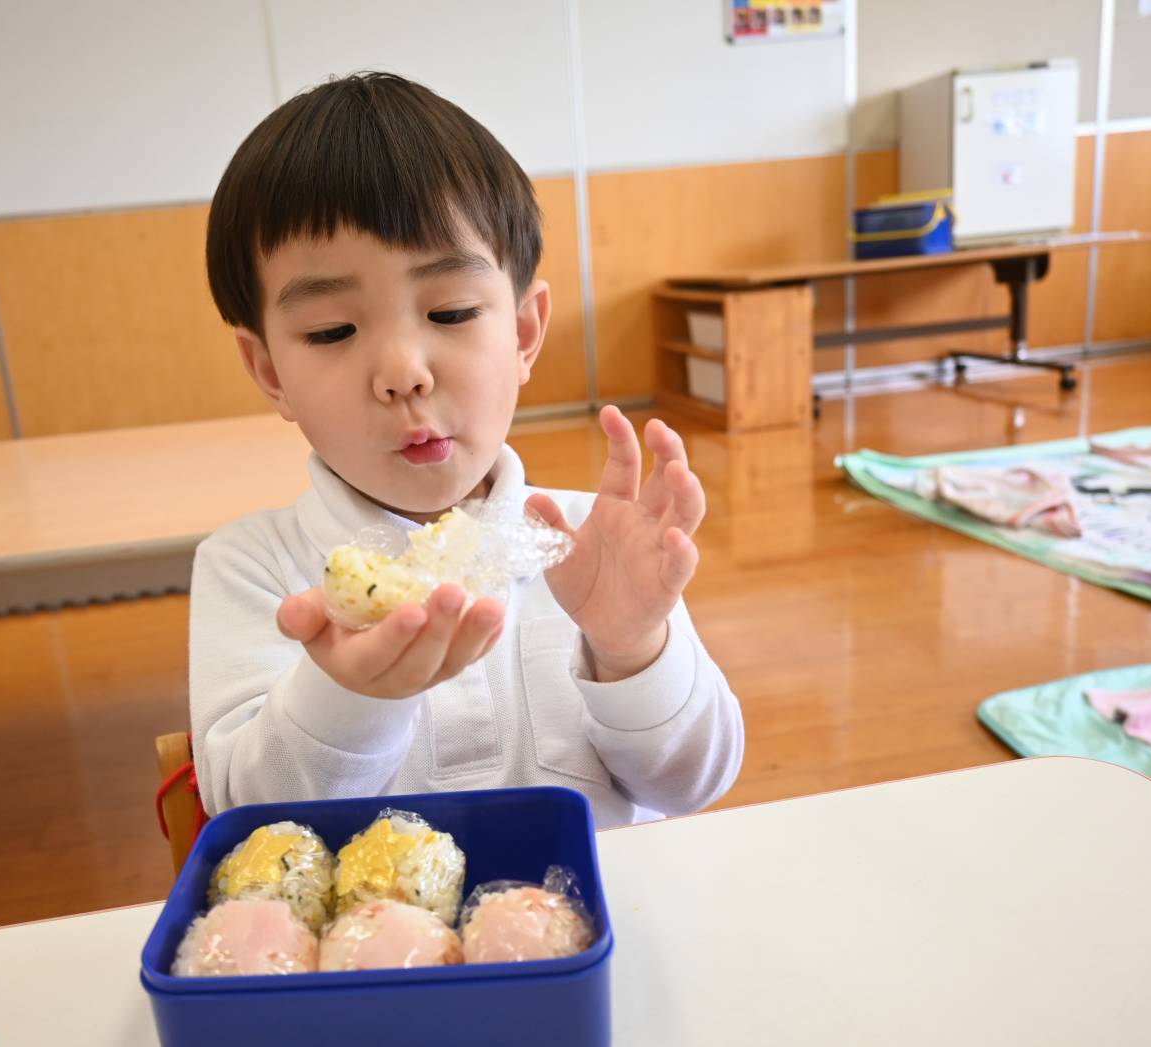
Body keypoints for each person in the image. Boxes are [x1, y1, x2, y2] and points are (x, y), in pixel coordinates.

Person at [189, 72, 742, 827]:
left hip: (602, 901)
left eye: (449, 312)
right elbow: (246, 816)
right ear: (269, 372)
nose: (403, 373)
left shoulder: (591, 542)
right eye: (331, 330)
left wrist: (633, 648)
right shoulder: (253, 568)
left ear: (523, 333)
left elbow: (693, 786)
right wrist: (349, 695)